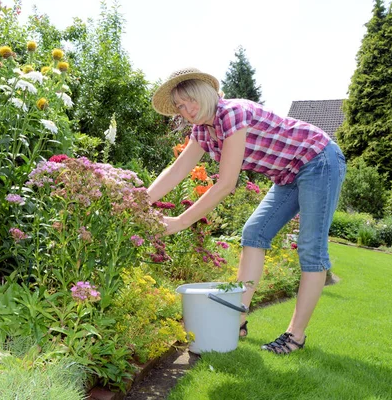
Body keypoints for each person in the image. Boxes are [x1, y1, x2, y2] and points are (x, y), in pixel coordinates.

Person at [146, 67, 347, 354]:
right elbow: (177, 170)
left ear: (206, 93)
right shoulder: (202, 131)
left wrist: (180, 221)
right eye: (179, 106)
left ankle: (295, 336)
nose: (187, 110)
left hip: (318, 160)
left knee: (311, 249)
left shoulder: (231, 113)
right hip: (288, 174)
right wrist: (140, 201)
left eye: (190, 100)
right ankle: (236, 318)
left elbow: (226, 183)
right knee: (254, 234)